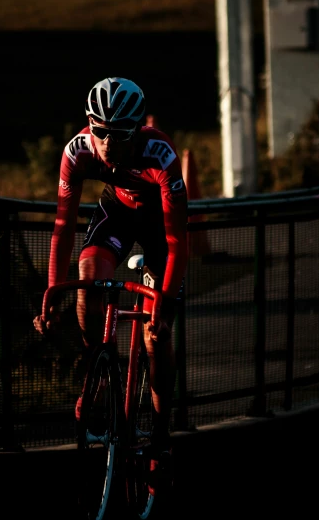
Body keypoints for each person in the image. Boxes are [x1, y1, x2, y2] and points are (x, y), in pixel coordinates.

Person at [33, 77, 188, 491]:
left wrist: (163, 306)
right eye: (98, 131)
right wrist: (52, 292)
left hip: (159, 227)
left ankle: (160, 437)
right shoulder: (78, 151)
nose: (106, 142)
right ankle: (101, 372)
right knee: (87, 280)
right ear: (89, 125)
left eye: (117, 134)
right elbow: (63, 228)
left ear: (136, 130)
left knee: (158, 336)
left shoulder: (161, 154)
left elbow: (176, 242)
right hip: (117, 212)